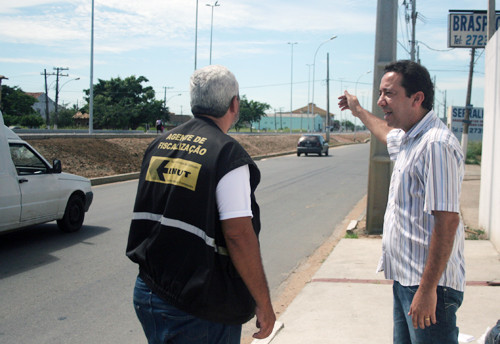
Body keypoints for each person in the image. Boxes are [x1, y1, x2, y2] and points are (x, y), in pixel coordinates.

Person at [126, 65, 275, 344]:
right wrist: (263, 302)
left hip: (148, 292)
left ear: (194, 102)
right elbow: (238, 235)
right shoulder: (226, 154)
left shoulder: (160, 143)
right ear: (234, 104)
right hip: (197, 307)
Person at [338, 60, 465, 344]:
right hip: (408, 281)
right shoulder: (411, 139)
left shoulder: (435, 144)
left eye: (389, 94)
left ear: (416, 98)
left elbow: (447, 221)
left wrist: (427, 289)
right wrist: (358, 111)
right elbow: (386, 134)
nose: (381, 101)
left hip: (430, 287)